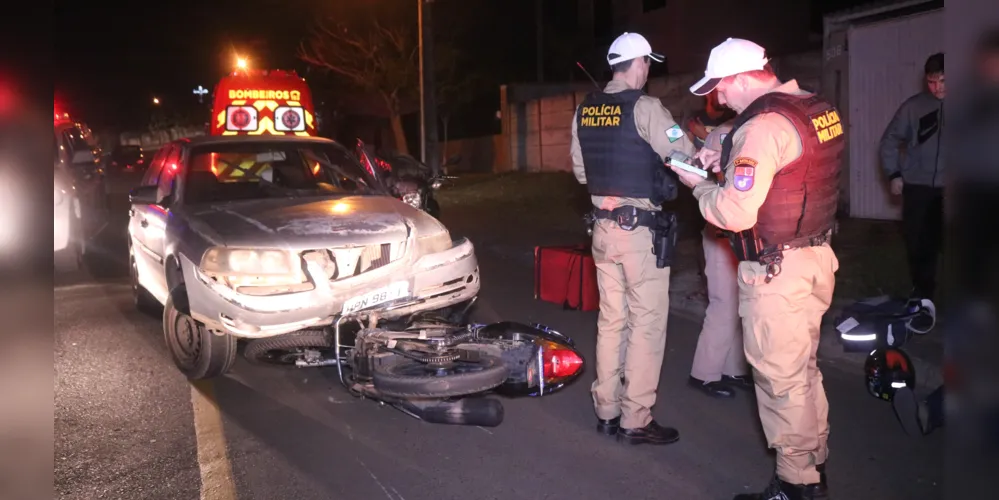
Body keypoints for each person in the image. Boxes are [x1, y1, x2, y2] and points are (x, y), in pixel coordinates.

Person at [670, 38, 845, 499]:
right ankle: (813, 464)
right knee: (804, 371)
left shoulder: (762, 127)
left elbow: (733, 214)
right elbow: (788, 169)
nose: (718, 98)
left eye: (721, 88)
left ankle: (795, 485)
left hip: (776, 271)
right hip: (815, 259)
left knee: (779, 380)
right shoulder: (813, 106)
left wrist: (696, 185)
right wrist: (724, 159)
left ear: (742, 78)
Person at [570, 31, 696, 446]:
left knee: (611, 321)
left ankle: (606, 410)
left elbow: (582, 172)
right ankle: (635, 419)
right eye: (648, 64)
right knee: (646, 324)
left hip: (603, 231)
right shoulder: (646, 107)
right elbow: (682, 154)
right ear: (638, 63)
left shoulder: (584, 111)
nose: (648, 71)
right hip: (639, 234)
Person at [688, 121, 754, 399]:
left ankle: (733, 368)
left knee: (740, 304)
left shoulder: (753, 130)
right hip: (721, 233)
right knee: (723, 303)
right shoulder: (726, 134)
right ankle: (704, 373)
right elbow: (716, 180)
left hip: (744, 234)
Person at [878, 53, 946, 302]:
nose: (937, 87)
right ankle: (923, 294)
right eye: (932, 82)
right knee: (919, 243)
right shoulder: (913, 107)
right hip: (918, 187)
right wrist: (894, 174)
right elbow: (889, 141)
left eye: (943, 81)